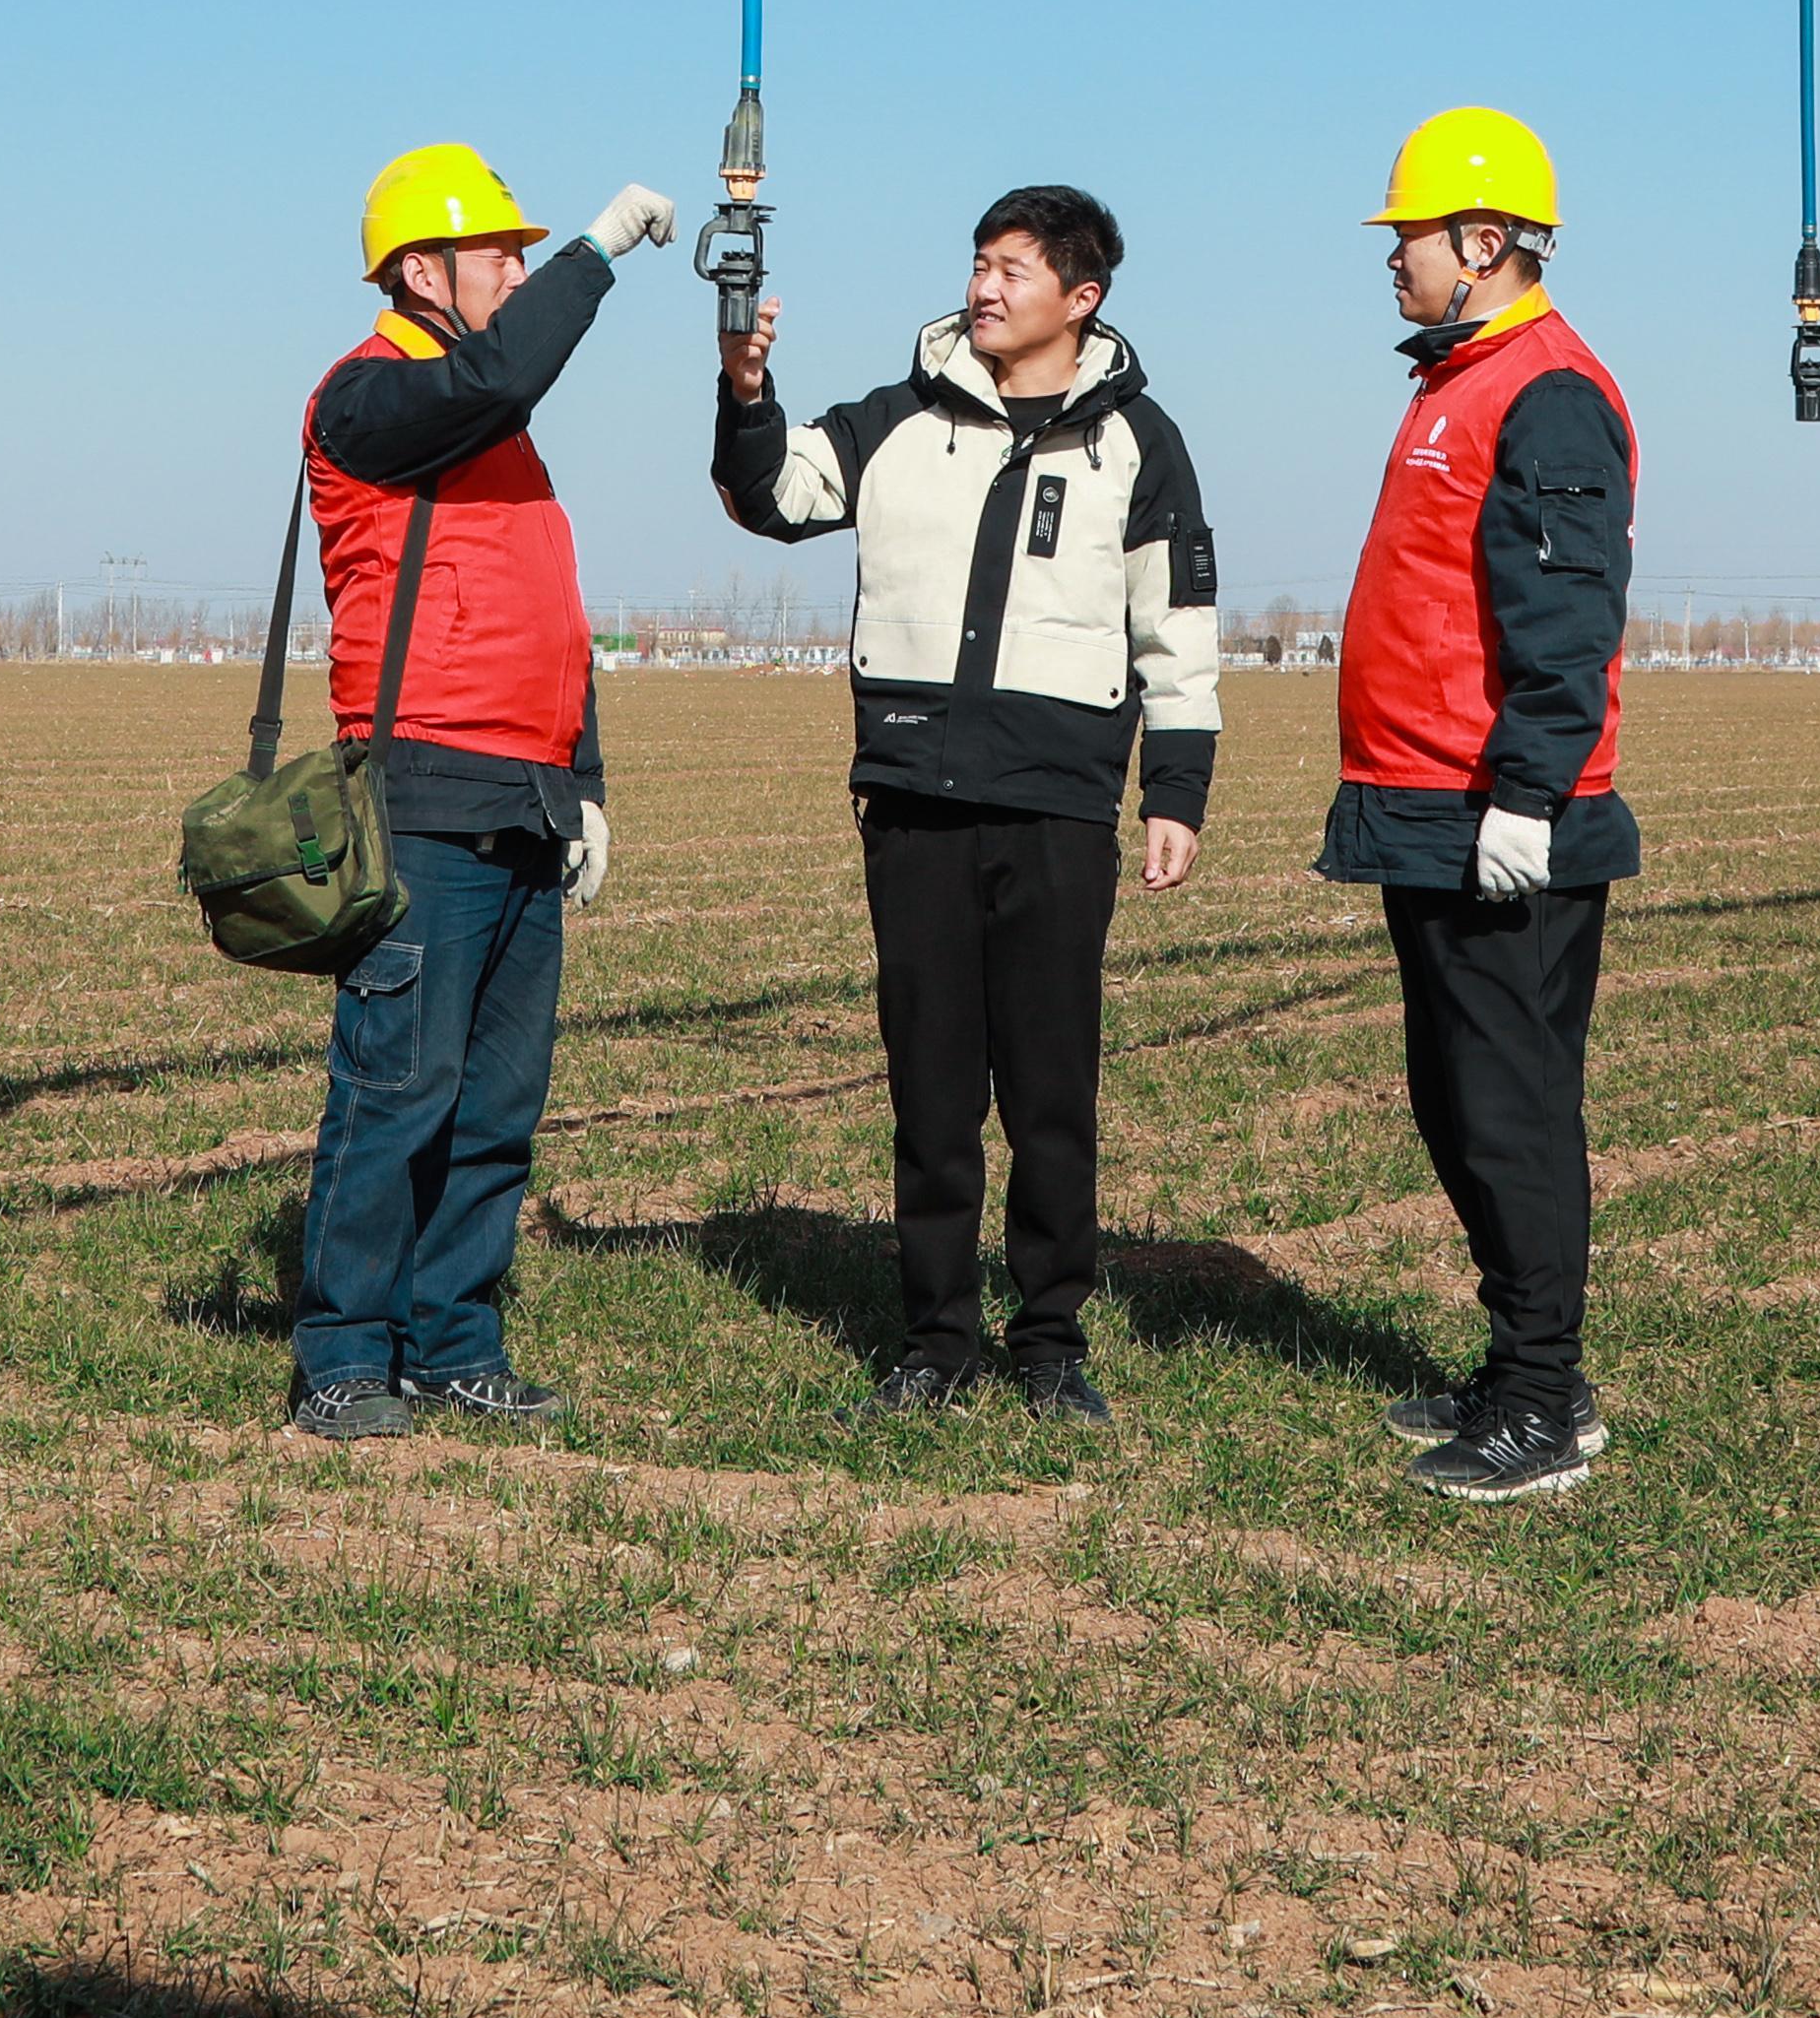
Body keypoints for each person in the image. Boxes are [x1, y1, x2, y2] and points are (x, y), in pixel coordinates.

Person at [714, 185, 1221, 1422]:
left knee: (1052, 1090)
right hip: (914, 799)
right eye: (977, 263)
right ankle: (933, 1337)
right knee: (931, 1088)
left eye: (1011, 269)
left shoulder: (1140, 443)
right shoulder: (892, 420)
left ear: (1079, 296)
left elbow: (1177, 629)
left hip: (1056, 808)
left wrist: (1176, 787)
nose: (983, 287)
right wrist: (744, 394)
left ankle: (1050, 1337)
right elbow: (771, 495)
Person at [287, 140, 681, 1444]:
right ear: (418, 268)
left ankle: (452, 1338)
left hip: (524, 794)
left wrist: (585, 783)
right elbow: (505, 364)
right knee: (394, 1084)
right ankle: (342, 1352)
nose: (516, 267)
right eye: (499, 248)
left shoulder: (493, 428)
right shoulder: (367, 398)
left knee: (497, 1100)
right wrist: (597, 249)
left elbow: (546, 624)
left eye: (526, 249)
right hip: (420, 792)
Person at [1316, 104, 1638, 1504]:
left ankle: (1539, 1398)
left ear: (1485, 238)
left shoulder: (1543, 390)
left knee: (1507, 1109)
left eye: (1412, 237)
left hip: (1492, 814)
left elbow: (1566, 613)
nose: (1394, 259)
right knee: (1456, 1099)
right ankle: (1520, 1367)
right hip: (1420, 805)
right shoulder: (1456, 377)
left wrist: (1526, 789)